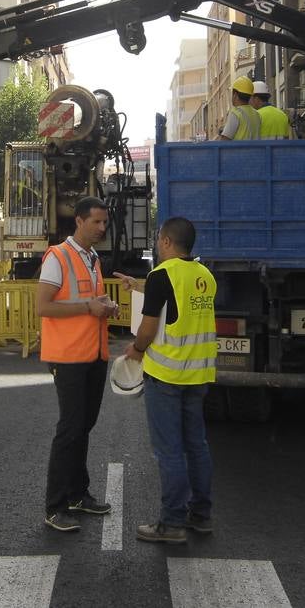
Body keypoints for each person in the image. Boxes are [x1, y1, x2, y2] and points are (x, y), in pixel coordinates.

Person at [115, 216, 217, 545]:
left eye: (160, 239)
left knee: (169, 451)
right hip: (198, 375)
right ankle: (200, 516)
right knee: (196, 446)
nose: (158, 245)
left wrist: (136, 349)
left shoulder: (162, 275)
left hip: (167, 375)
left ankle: (171, 523)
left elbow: (148, 327)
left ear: (168, 242)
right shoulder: (204, 275)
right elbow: (175, 297)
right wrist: (137, 284)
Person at [37, 196, 119, 532]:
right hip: (68, 357)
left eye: (105, 222)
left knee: (83, 427)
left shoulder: (92, 258)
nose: (102, 228)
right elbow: (43, 307)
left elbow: (87, 301)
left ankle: (77, 495)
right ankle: (55, 506)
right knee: (69, 430)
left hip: (93, 356)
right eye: (96, 222)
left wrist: (103, 306)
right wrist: (89, 307)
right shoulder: (59, 256)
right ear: (79, 222)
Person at [218, 76, 261, 141]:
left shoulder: (235, 113)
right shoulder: (257, 114)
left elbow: (225, 140)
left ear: (235, 95)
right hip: (256, 151)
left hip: (240, 151)